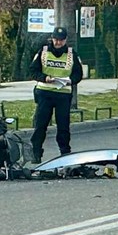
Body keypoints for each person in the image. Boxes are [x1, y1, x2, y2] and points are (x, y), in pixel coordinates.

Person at [29, 26, 83, 162]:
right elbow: (32, 71)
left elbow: (78, 74)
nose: (58, 43)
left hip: (63, 95)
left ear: (65, 40)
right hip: (44, 93)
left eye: (61, 40)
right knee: (40, 125)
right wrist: (45, 78)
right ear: (52, 39)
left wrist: (71, 81)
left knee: (63, 126)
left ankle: (65, 153)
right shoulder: (43, 51)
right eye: (56, 39)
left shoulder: (72, 54)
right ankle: (36, 153)